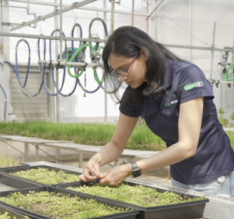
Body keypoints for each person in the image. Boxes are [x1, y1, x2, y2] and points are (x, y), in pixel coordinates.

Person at [79, 26, 234, 197]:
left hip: (213, 178)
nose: (122, 77)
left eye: (124, 68)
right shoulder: (134, 92)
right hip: (179, 178)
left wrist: (131, 168)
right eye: (117, 73)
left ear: (143, 54)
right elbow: (116, 144)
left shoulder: (187, 76)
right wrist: (96, 160)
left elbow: (187, 146)